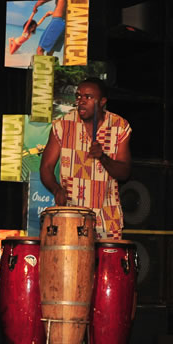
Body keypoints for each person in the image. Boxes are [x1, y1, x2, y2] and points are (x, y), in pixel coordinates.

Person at [39, 77, 132, 239]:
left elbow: (124, 173)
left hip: (107, 218)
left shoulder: (119, 126)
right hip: (71, 216)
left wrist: (102, 157)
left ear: (102, 101)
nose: (81, 101)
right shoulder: (63, 125)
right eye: (78, 96)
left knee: (106, 265)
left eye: (88, 97)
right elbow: (46, 167)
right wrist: (56, 189)